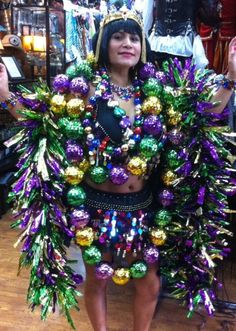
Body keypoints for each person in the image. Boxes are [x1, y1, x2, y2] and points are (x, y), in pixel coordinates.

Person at [0, 5, 236, 331]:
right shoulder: (82, 90)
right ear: (103, 43)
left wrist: (231, 78)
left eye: (134, 38)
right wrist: (6, 96)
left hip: (146, 208)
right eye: (119, 37)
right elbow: (43, 123)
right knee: (98, 278)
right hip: (94, 209)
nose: (128, 44)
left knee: (150, 282)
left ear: (143, 47)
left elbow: (202, 115)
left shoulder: (159, 91)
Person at [140, 0, 220, 69]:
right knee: (184, 83)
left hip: (157, 43)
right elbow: (210, 15)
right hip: (183, 45)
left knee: (156, 80)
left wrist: (145, 39)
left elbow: (147, 16)